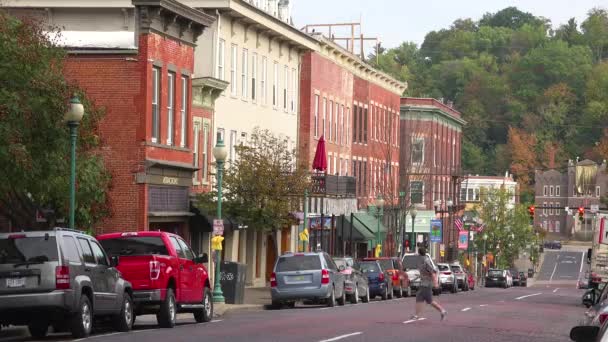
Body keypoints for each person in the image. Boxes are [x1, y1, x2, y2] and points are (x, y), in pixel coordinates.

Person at [411, 246, 447, 321]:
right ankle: (442, 311)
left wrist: (435, 283)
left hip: (427, 284)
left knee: (423, 299)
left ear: (420, 254)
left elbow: (433, 272)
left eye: (418, 253)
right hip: (424, 283)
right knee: (427, 300)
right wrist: (416, 278)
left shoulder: (426, 261)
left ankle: (416, 315)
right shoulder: (422, 261)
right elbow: (424, 273)